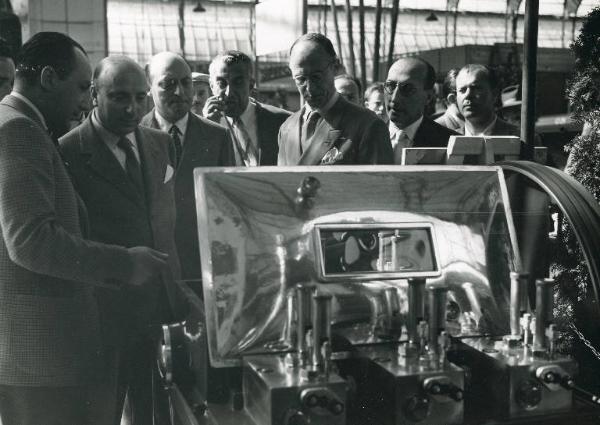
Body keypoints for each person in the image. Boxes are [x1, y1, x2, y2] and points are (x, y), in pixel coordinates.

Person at [0, 32, 169, 425]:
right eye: (80, 88)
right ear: (46, 78)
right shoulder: (19, 131)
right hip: (40, 351)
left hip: (33, 350)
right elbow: (30, 241)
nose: (84, 100)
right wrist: (125, 262)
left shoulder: (18, 123)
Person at [60, 55, 180, 425]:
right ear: (94, 94)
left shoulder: (160, 144)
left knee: (158, 413)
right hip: (103, 317)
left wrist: (177, 292)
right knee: (103, 414)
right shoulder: (66, 152)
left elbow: (165, 226)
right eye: (119, 97)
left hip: (158, 310)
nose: (132, 108)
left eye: (141, 97)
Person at [141, 51, 234, 280]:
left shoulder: (217, 137)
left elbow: (228, 207)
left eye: (185, 83)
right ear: (149, 86)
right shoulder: (135, 135)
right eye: (168, 84)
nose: (180, 93)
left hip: (202, 267)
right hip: (153, 269)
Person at [278, 33, 392, 165]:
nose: (310, 88)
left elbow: (381, 184)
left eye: (317, 77)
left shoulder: (367, 126)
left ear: (334, 67)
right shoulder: (287, 128)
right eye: (301, 79)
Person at [203, 50, 291, 166]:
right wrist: (207, 129)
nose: (229, 93)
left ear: (251, 84)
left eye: (238, 82)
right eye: (222, 83)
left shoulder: (283, 122)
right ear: (212, 86)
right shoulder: (201, 127)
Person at [385, 57, 457, 164]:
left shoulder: (449, 143)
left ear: (428, 97)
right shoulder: (365, 135)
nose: (395, 98)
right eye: (390, 86)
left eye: (407, 89)